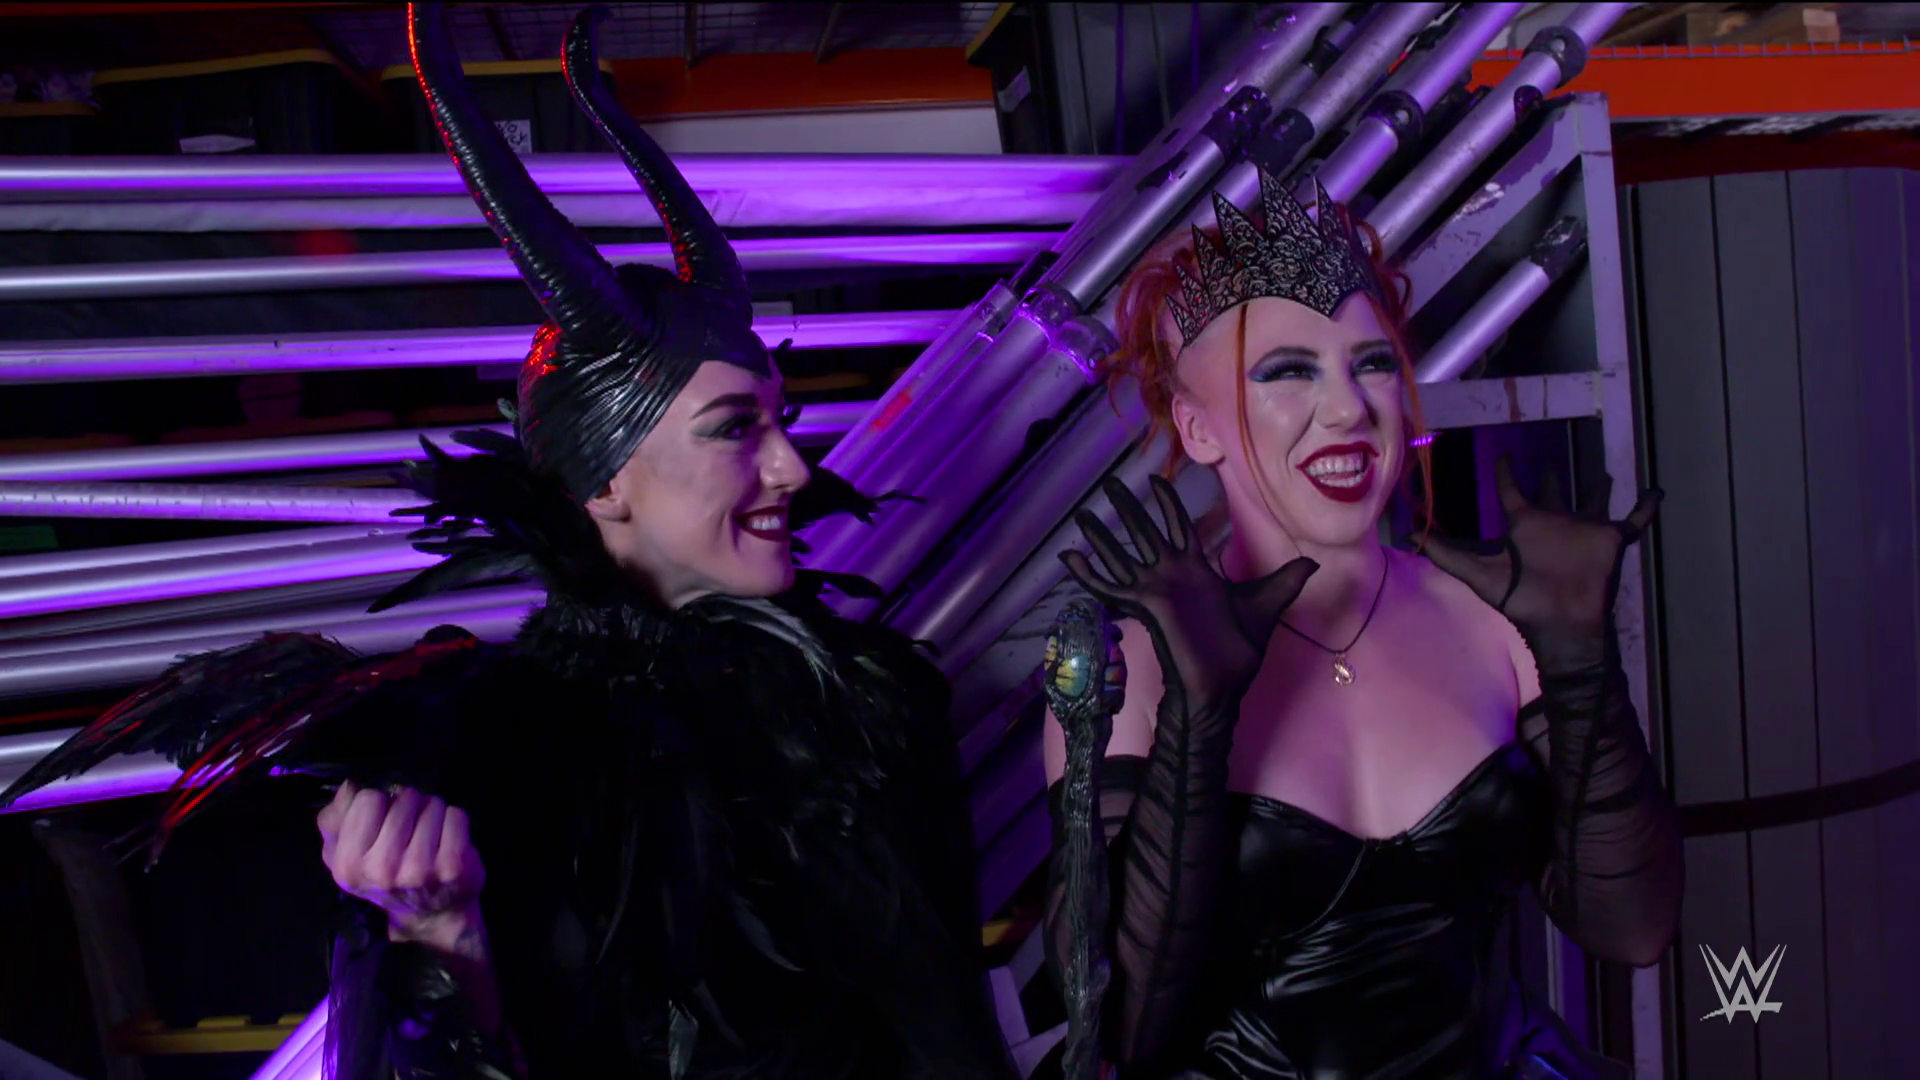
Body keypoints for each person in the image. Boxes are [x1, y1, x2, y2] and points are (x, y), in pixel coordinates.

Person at [0, 5, 1017, 1078]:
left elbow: (950, 1030)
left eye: (780, 420)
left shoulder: (878, 698)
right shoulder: (482, 754)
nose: (794, 470)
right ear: (603, 482)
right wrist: (441, 937)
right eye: (735, 430)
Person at [1039, 168, 1684, 1079]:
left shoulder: (1497, 621)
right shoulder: (1131, 672)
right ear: (1198, 428)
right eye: (1287, 372)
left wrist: (1581, 664)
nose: (1349, 409)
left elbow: (1635, 931)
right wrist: (1197, 720)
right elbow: (1125, 1033)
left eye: (1371, 363)